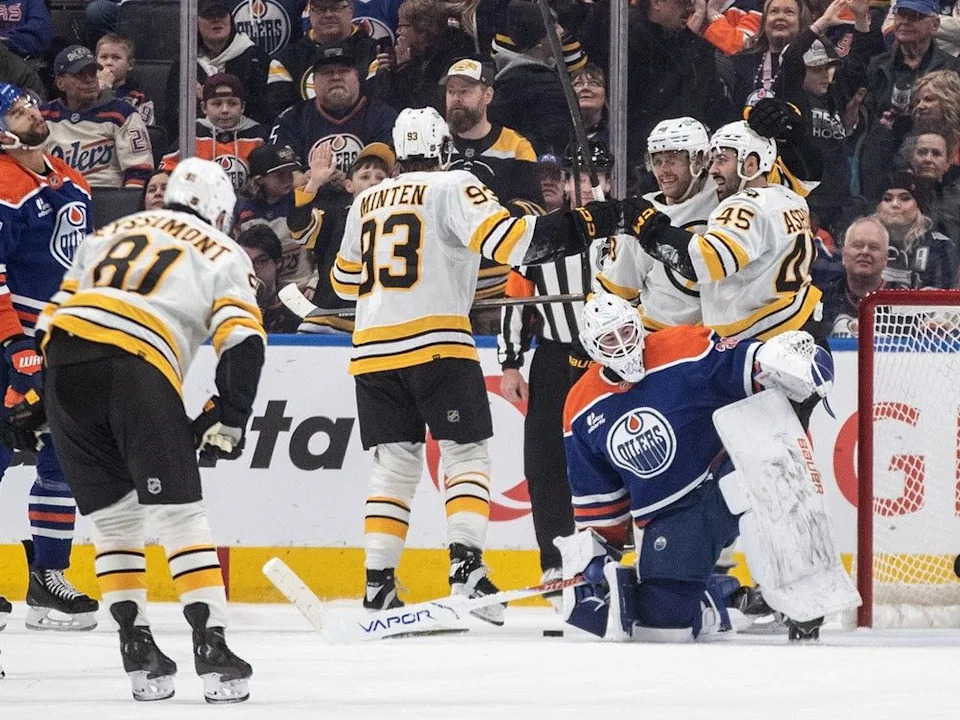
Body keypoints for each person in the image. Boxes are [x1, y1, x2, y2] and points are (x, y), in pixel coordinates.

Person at [331, 106, 620, 621]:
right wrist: (582, 224)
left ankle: (378, 584)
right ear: (444, 150)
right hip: (438, 342)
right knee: (465, 456)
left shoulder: (365, 200)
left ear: (398, 154)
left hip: (372, 350)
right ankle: (465, 570)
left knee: (393, 468)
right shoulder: (454, 185)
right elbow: (514, 245)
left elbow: (340, 284)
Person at [34, 157, 265, 703]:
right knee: (181, 515)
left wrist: (33, 401)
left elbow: (52, 317)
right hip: (134, 366)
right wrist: (228, 414)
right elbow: (244, 340)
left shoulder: (109, 232)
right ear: (219, 210)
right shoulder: (222, 249)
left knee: (115, 523)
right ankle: (213, 650)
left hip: (61, 367)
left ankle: (137, 650)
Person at [557, 292, 833, 643]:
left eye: (627, 332)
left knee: (746, 485)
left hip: (726, 472)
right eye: (609, 339)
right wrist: (594, 558)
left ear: (638, 324)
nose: (623, 345)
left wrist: (784, 362)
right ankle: (723, 602)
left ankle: (796, 595)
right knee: (660, 629)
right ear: (591, 347)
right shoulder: (580, 408)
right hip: (673, 515)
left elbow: (746, 364)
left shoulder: (682, 345)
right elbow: (598, 499)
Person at [623, 120, 825, 428]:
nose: (713, 168)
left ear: (751, 163)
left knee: (760, 459)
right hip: (801, 333)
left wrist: (649, 228)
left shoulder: (743, 206)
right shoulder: (789, 198)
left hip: (769, 347)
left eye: (722, 159)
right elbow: (810, 172)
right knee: (787, 451)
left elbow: (707, 262)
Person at [0, 81, 99, 632]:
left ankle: (48, 577)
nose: (33, 112)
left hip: (62, 345)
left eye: (31, 104)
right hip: (9, 342)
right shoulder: (2, 184)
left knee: (63, 461)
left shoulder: (72, 180)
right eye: (17, 110)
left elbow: (83, 269)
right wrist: (14, 342)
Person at [497, 140, 615, 597]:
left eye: (593, 177)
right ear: (564, 184)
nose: (585, 186)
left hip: (611, 359)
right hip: (552, 357)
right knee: (545, 463)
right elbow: (516, 301)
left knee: (610, 459)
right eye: (576, 178)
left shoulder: (623, 228)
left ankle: (613, 551)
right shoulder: (543, 234)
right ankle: (554, 559)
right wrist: (510, 362)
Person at [597, 116, 713, 331]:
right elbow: (617, 293)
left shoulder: (724, 197)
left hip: (717, 340)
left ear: (698, 160)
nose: (663, 170)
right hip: (659, 338)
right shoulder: (639, 214)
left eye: (672, 160)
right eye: (657, 161)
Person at [443, 57, 543, 301]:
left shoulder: (516, 145)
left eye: (465, 91)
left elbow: (533, 208)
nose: (456, 98)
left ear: (487, 95)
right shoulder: (432, 141)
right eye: (451, 91)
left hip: (496, 282)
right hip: (442, 281)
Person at [287, 140, 394, 333]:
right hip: (328, 320)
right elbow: (299, 230)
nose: (373, 182)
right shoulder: (335, 215)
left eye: (380, 177)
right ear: (349, 185)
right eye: (365, 176)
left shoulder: (401, 219)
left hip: (379, 323)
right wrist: (314, 183)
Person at [271, 44, 397, 175]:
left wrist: (349, 182)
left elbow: (387, 172)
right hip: (310, 193)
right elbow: (281, 177)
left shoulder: (383, 116)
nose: (336, 77)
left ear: (357, 77)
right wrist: (309, 180)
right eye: (327, 72)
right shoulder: (291, 119)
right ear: (313, 81)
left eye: (343, 71)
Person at [42, 45, 154, 189]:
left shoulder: (122, 113)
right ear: (60, 83)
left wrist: (127, 207)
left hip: (107, 203)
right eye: (80, 74)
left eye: (92, 72)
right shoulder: (43, 116)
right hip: (58, 200)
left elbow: (140, 173)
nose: (89, 80)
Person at [163, 0, 271, 136]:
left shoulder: (255, 58)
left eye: (221, 14)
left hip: (248, 140)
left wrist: (212, 97)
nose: (216, 20)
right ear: (196, 21)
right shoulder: (185, 63)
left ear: (230, 19)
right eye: (209, 15)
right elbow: (173, 116)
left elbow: (264, 111)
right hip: (198, 141)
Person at [267, 0, 379, 119]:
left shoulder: (375, 51)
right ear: (310, 12)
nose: (328, 14)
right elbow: (282, 116)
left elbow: (376, 107)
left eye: (336, 8)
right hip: (306, 135)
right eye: (320, 9)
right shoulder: (285, 60)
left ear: (351, 10)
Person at [160, 73, 268, 191]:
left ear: (242, 107)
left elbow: (270, 181)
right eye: (217, 104)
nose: (225, 110)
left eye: (232, 103)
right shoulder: (192, 134)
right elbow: (165, 173)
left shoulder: (258, 136)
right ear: (204, 108)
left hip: (248, 207)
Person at [234, 143, 311, 291]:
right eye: (280, 174)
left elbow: (319, 250)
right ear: (259, 178)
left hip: (301, 288)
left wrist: (313, 283)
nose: (288, 179)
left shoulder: (301, 202)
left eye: (291, 172)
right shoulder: (238, 208)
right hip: (255, 290)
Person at [875, 170, 957, 288]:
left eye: (905, 198)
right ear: (878, 207)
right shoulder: (862, 243)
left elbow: (942, 301)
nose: (895, 204)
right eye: (887, 199)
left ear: (919, 206)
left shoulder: (940, 247)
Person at [820, 216, 889, 337]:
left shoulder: (905, 303)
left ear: (886, 259)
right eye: (858, 246)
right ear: (844, 255)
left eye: (874, 247)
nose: (865, 252)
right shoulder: (821, 299)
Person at [238, 223, 302, 333]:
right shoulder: (228, 308)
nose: (252, 269)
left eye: (260, 261)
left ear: (277, 263)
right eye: (246, 262)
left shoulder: (295, 310)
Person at [96, 33, 154, 126]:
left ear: (130, 65)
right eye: (104, 57)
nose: (108, 62)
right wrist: (102, 86)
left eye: (116, 58)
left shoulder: (139, 98)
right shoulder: (87, 91)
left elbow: (143, 128)